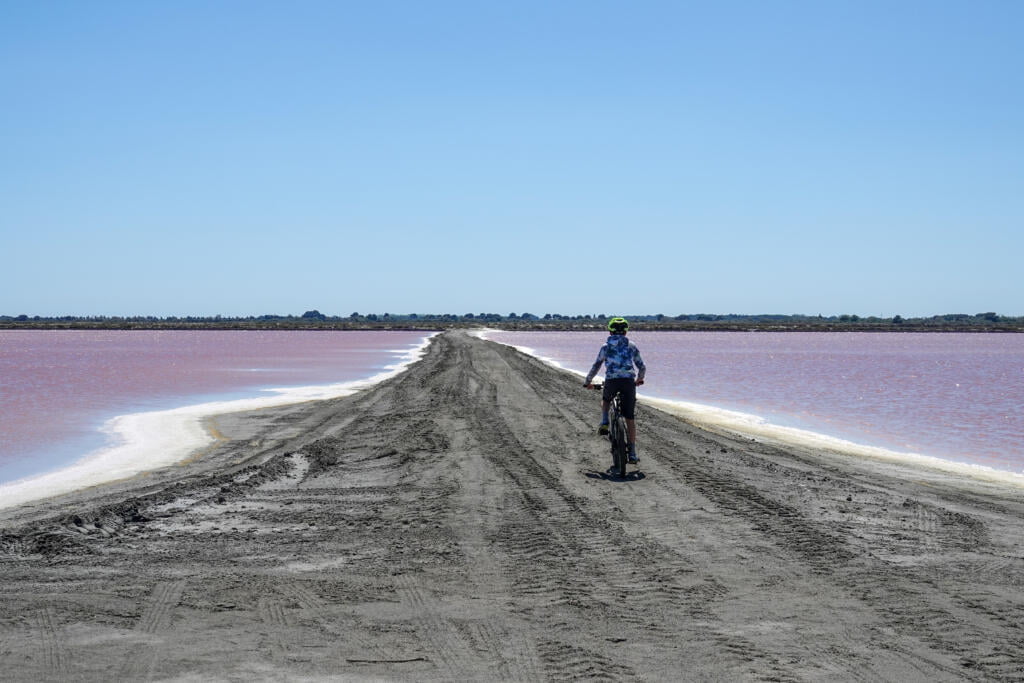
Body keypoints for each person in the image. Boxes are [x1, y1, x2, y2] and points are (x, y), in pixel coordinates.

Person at [583, 317, 646, 465]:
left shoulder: (605, 347)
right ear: (625, 331)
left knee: (606, 400)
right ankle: (632, 452)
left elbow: (597, 365)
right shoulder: (631, 346)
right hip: (628, 382)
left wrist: (587, 382)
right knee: (630, 418)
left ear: (610, 331)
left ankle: (605, 421)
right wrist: (640, 379)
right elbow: (641, 366)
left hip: (611, 381)